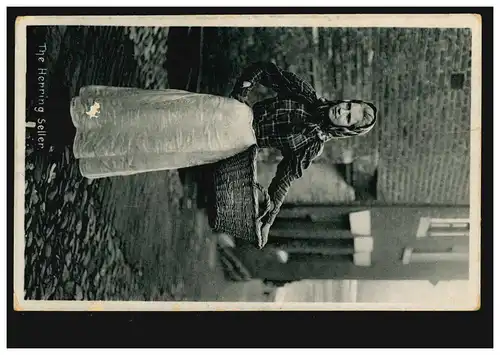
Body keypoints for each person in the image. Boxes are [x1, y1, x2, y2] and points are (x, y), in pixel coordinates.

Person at [226, 62, 378, 243]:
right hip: (229, 114)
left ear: (346, 129)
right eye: (348, 106)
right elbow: (265, 70)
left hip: (235, 144)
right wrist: (239, 95)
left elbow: (285, 178)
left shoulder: (313, 146)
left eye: (348, 117)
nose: (342, 110)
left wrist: (268, 220)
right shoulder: (305, 94)